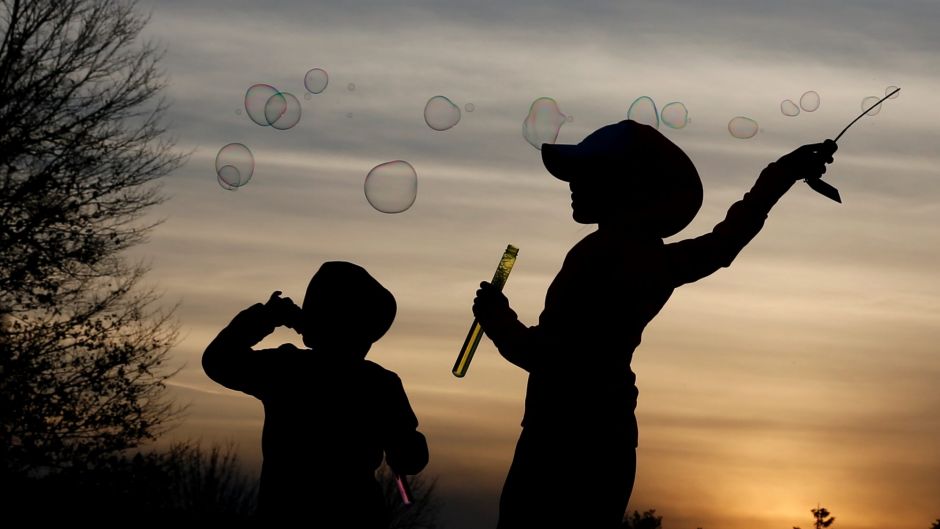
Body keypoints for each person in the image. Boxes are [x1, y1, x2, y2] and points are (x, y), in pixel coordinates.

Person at [472, 120, 837, 528]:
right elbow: (724, 242)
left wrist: (496, 319)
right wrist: (780, 174)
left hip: (562, 437)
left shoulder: (602, 256)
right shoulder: (652, 259)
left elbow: (552, 356)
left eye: (585, 174)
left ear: (623, 184)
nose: (572, 184)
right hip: (608, 434)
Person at [203, 261, 429, 527]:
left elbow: (218, 360)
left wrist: (265, 318)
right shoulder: (379, 383)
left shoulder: (288, 370)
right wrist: (402, 445)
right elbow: (410, 459)